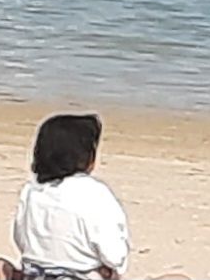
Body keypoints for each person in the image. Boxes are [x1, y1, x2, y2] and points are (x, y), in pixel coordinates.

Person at [12, 113, 132, 279]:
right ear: (88, 157)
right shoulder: (95, 194)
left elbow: (21, 240)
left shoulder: (31, 191)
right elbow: (115, 256)